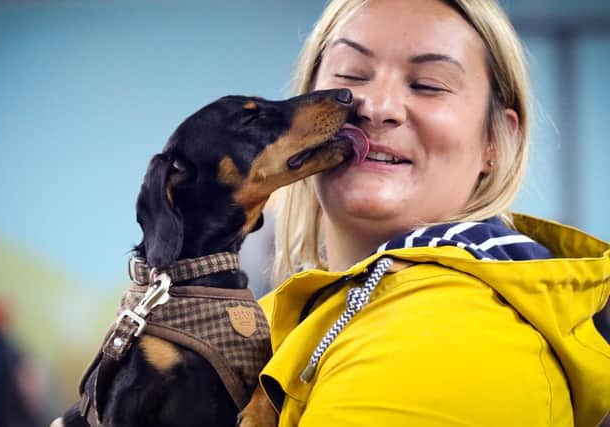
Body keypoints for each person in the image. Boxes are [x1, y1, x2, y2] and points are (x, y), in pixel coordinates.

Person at [257, 0, 610, 426]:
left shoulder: (448, 331)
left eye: (427, 84)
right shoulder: (284, 318)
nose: (377, 107)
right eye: (351, 74)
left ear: (495, 142)